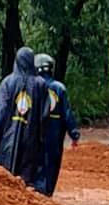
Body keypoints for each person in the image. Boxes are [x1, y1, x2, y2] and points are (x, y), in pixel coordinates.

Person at [0, 46, 48, 189]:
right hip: (31, 141)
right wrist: (42, 138)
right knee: (25, 181)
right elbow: (44, 116)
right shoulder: (40, 85)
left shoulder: (8, 82)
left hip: (7, 140)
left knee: (4, 177)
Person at [34, 53, 80, 196]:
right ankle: (47, 194)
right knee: (52, 166)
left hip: (35, 134)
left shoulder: (33, 86)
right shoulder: (59, 88)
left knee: (35, 164)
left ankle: (35, 192)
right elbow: (67, 113)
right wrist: (74, 134)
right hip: (54, 135)